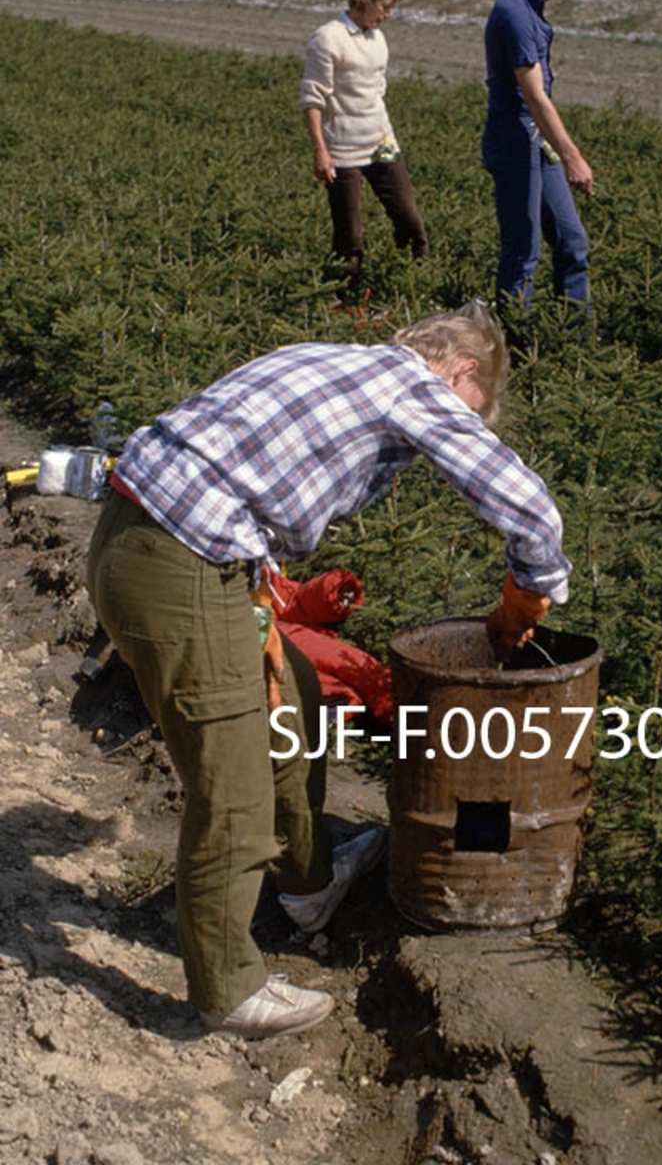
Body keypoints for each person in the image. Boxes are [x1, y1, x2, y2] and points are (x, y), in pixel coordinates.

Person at [86, 301, 570, 1042]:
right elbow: (524, 504)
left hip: (152, 539)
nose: (466, 421)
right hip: (179, 560)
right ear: (461, 371)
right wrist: (526, 592)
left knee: (299, 701)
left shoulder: (328, 357)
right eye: (474, 407)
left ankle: (308, 885)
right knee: (234, 779)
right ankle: (227, 988)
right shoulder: (412, 387)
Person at [299, 0, 429, 285]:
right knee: (349, 237)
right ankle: (350, 298)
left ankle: (413, 283)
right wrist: (321, 151)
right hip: (342, 151)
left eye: (392, 7)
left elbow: (376, 91)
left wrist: (385, 136)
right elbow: (312, 99)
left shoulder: (378, 39)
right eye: (384, 6)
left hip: (381, 145)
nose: (388, 14)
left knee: (411, 223)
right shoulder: (328, 37)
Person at [482, 0, 594, 311]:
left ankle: (574, 337)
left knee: (571, 240)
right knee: (523, 250)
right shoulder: (514, 12)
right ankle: (512, 342)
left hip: (535, 137)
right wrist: (573, 157)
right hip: (516, 138)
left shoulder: (527, 8)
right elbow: (534, 96)